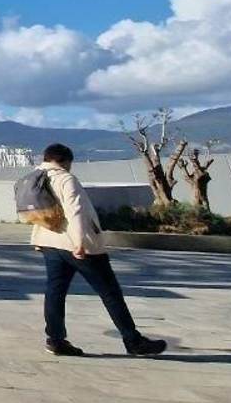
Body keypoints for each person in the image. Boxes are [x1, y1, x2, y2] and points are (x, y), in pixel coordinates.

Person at [31, 143, 167, 357]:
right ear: (66, 161)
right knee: (110, 292)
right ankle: (133, 341)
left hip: (50, 242)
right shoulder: (66, 179)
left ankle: (55, 340)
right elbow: (75, 212)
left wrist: (38, 240)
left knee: (55, 292)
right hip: (77, 245)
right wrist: (79, 242)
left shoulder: (36, 178)